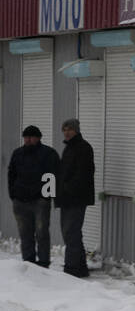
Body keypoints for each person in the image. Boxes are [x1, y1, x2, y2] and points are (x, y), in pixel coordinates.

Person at [7, 125, 61, 268]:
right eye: (26, 137)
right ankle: (28, 262)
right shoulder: (17, 153)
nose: (28, 140)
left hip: (40, 201)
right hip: (20, 201)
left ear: (38, 138)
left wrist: (47, 197)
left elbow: (53, 175)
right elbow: (11, 174)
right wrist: (13, 194)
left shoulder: (48, 154)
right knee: (25, 233)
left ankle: (43, 263)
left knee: (41, 232)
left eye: (31, 137)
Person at [56, 117, 95, 278]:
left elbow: (83, 174)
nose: (66, 132)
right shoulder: (69, 148)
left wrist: (67, 189)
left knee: (70, 232)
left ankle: (71, 269)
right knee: (72, 232)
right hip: (66, 198)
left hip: (77, 198)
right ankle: (80, 267)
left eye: (69, 129)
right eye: (64, 130)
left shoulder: (83, 148)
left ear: (76, 130)